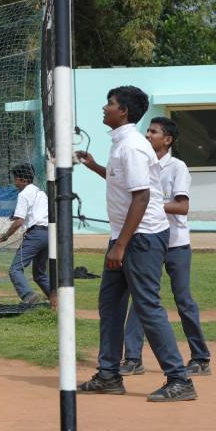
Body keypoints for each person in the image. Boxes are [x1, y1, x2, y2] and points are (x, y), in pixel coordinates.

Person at [75, 87, 196, 401]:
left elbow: (142, 197)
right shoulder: (122, 145)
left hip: (141, 238)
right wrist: (93, 166)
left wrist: (121, 245)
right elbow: (124, 186)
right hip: (125, 236)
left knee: (147, 306)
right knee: (110, 304)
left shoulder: (131, 146)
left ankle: (180, 380)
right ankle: (108, 375)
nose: (105, 107)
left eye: (110, 103)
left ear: (123, 111)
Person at [118, 117, 209, 377]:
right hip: (149, 241)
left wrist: (147, 204)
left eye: (154, 132)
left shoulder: (177, 167)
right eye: (147, 130)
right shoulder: (143, 164)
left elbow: (182, 207)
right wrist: (93, 166)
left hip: (175, 244)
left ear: (167, 140)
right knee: (142, 300)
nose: (148, 135)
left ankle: (200, 358)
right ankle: (133, 358)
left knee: (183, 301)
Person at [0, 163, 51, 305]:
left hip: (36, 235)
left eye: (16, 179)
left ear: (23, 180)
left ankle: (28, 295)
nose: (15, 183)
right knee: (39, 274)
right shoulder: (41, 192)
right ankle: (57, 299)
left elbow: (19, 222)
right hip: (49, 234)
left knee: (15, 269)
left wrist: (4, 236)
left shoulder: (23, 194)